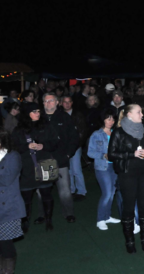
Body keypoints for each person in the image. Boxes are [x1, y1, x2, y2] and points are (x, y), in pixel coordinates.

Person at [108, 104, 144, 253]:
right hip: (127, 174)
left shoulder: (143, 130)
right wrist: (131, 154)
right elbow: (112, 154)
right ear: (129, 115)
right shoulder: (119, 133)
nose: (142, 115)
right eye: (138, 112)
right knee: (128, 207)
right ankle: (129, 242)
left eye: (141, 112)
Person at [12, 103, 57, 232]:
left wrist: (43, 146)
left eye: (38, 111)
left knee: (46, 194)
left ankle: (48, 220)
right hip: (26, 168)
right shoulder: (19, 130)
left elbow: (54, 142)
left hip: (44, 164)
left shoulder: (46, 126)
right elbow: (13, 148)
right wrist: (27, 147)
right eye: (34, 111)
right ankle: (25, 222)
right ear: (27, 114)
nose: (37, 113)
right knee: (26, 197)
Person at [41, 93, 78, 223]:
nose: (48, 103)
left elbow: (74, 137)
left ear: (57, 102)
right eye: (45, 101)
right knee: (43, 190)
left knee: (65, 190)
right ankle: (44, 214)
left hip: (61, 159)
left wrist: (68, 154)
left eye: (50, 101)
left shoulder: (64, 117)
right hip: (44, 159)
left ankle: (68, 213)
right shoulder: (39, 118)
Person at [87, 110, 121, 230]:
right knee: (107, 193)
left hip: (115, 166)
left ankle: (107, 216)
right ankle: (100, 219)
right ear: (103, 120)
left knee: (112, 193)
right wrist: (103, 155)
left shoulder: (116, 133)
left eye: (112, 119)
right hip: (103, 166)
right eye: (108, 119)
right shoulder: (96, 134)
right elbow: (90, 152)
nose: (111, 121)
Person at [0, 128, 24, 273]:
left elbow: (7, 179)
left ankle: (7, 271)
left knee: (5, 244)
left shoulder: (13, 156)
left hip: (7, 207)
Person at [61, 96, 88, 202]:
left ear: (72, 103)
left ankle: (81, 191)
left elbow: (83, 131)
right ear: (61, 103)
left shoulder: (78, 115)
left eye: (69, 102)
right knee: (69, 170)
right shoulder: (60, 115)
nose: (67, 104)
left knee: (76, 169)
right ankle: (71, 190)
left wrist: (76, 145)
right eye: (65, 102)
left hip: (75, 146)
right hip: (64, 147)